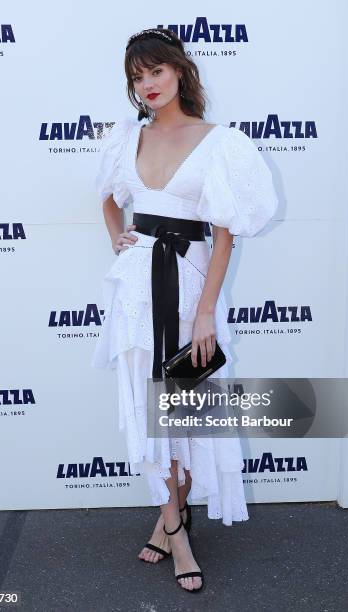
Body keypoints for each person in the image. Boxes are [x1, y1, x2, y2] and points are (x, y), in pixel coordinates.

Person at [91, 27, 278, 593]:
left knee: (183, 404)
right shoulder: (128, 139)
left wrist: (205, 313)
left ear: (179, 70)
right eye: (137, 77)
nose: (147, 84)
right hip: (136, 291)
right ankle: (176, 527)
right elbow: (106, 197)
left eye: (155, 71)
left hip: (190, 283)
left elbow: (224, 238)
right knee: (151, 401)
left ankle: (170, 517)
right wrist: (118, 239)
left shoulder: (220, 141)